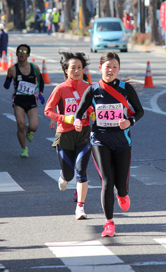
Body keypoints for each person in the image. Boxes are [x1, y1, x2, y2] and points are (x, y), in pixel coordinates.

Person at [74, 52, 144, 237]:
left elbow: (139, 111)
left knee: (120, 185)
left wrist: (130, 122)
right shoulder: (93, 90)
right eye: (107, 67)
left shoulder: (125, 88)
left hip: (122, 142)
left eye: (114, 67)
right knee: (107, 180)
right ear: (100, 68)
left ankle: (122, 194)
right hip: (100, 140)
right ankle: (109, 223)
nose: (111, 70)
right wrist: (77, 121)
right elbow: (79, 112)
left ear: (118, 69)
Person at [45, 52, 93, 220]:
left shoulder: (88, 87)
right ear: (66, 70)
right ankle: (64, 176)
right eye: (73, 68)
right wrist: (64, 118)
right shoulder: (60, 89)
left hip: (84, 134)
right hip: (63, 135)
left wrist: (92, 113)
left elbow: (94, 107)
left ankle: (80, 208)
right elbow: (48, 110)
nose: (77, 71)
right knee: (69, 174)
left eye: (80, 67)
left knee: (81, 171)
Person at [4, 44, 44, 158]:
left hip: (31, 99)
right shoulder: (12, 69)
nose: (22, 53)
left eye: (24, 51)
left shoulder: (34, 68)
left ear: (28, 55)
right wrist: (8, 80)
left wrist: (40, 93)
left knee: (34, 127)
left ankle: (29, 130)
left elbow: (41, 81)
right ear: (16, 53)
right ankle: (24, 148)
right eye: (20, 51)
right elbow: (6, 84)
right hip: (19, 100)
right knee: (20, 124)